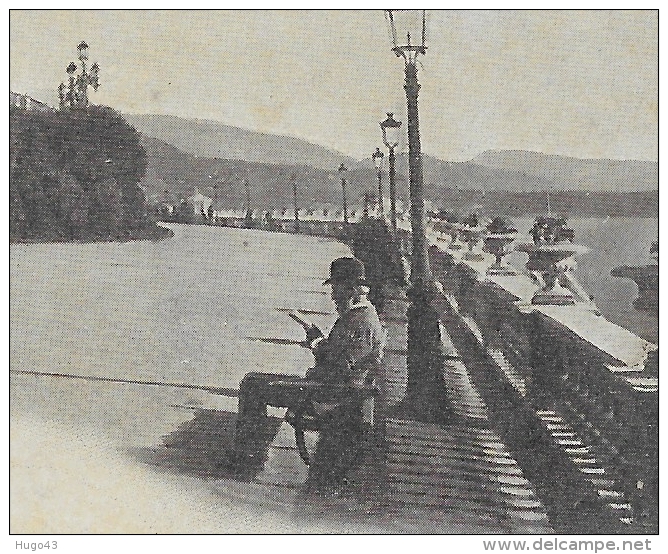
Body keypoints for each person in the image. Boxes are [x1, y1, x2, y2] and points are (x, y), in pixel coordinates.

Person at [233, 256, 385, 494]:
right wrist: (317, 337)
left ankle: (246, 457)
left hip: (329, 394)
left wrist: (316, 342)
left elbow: (339, 368)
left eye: (337, 289)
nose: (333, 296)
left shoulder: (360, 322)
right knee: (255, 381)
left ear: (353, 289)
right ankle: (251, 452)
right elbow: (341, 358)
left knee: (253, 384)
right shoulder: (362, 316)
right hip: (334, 388)